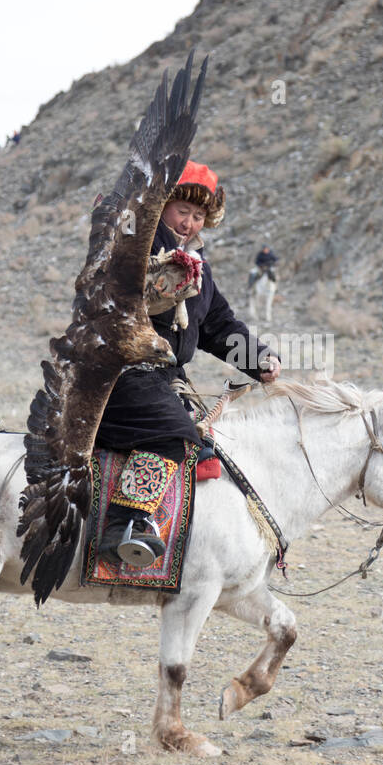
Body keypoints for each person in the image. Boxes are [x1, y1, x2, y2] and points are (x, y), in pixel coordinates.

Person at [94, 160, 280, 566]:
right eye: (183, 211)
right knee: (175, 436)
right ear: (162, 207)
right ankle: (124, 526)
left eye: (199, 216)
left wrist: (258, 359)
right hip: (120, 374)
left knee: (214, 446)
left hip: (164, 380)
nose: (190, 223)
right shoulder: (131, 245)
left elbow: (216, 323)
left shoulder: (197, 266)